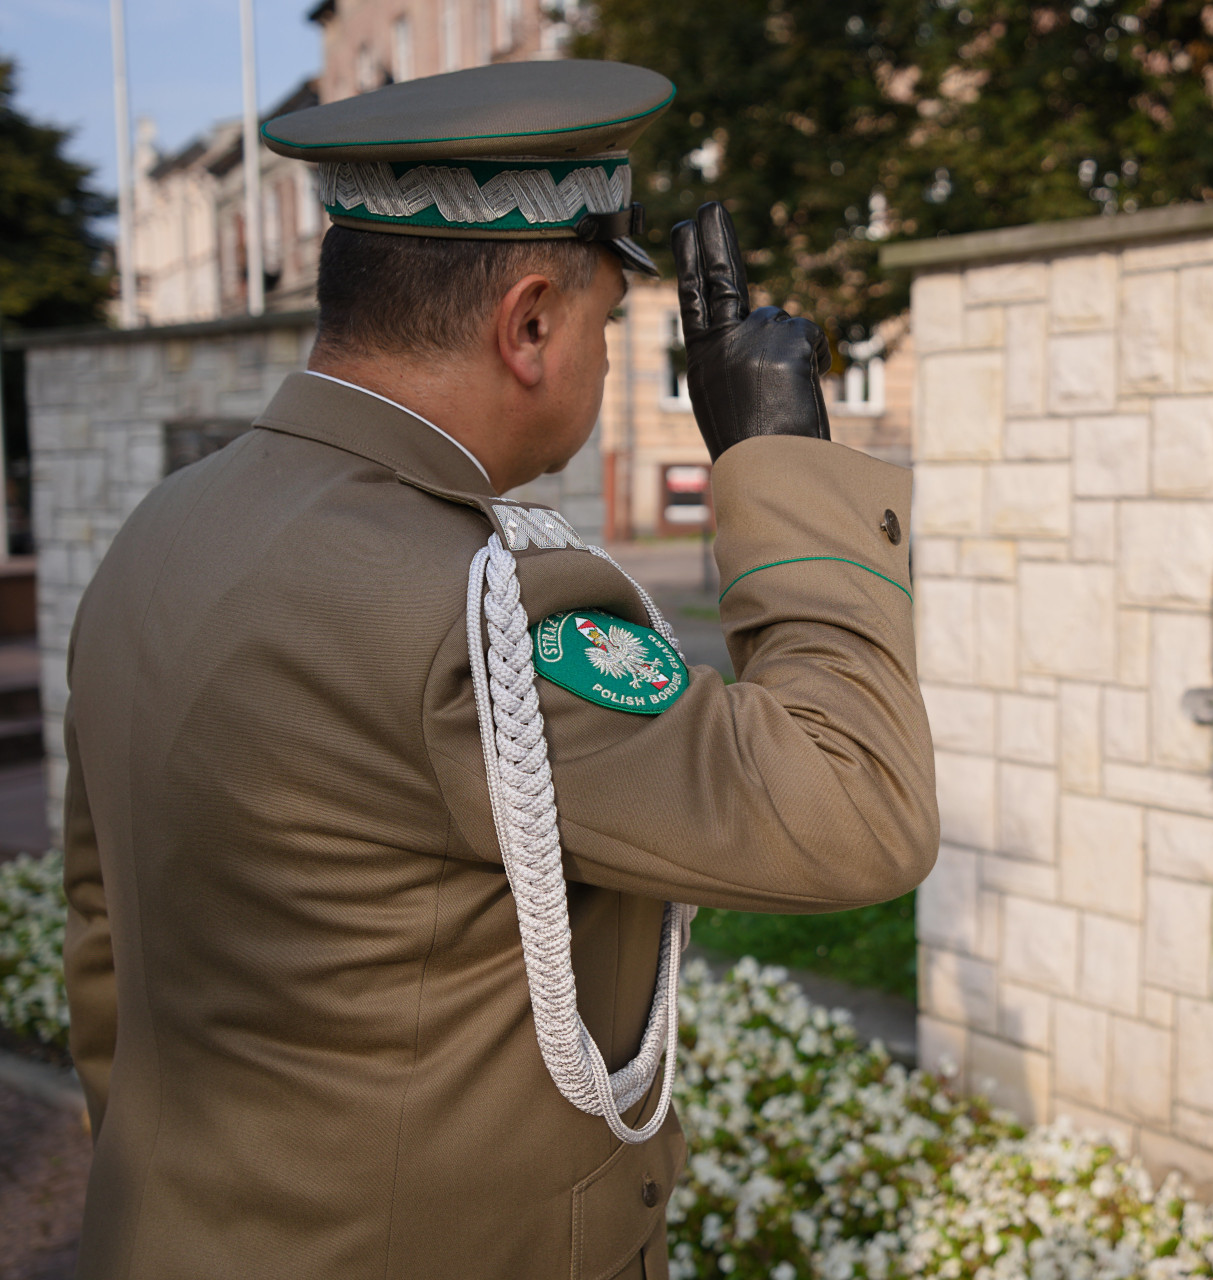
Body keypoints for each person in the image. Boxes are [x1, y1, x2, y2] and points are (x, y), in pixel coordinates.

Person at [61, 59, 936, 1279]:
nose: (604, 353)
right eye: (605, 321)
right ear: (528, 325)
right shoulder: (478, 610)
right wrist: (778, 455)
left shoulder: (162, 532)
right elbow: (855, 808)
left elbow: (105, 941)